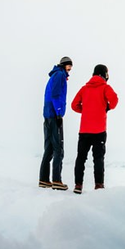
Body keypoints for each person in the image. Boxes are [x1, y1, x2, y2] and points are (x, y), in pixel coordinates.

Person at [71, 64, 119, 194]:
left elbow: (74, 105)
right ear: (104, 74)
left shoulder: (84, 89)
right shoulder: (105, 88)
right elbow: (114, 100)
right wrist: (106, 108)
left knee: (81, 158)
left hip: (84, 130)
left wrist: (85, 111)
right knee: (98, 159)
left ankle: (78, 185)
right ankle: (98, 185)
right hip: (99, 131)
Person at [39, 56, 73, 190]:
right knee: (59, 148)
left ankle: (44, 179)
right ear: (64, 65)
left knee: (49, 148)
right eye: (69, 66)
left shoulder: (54, 76)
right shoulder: (59, 75)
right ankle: (57, 180)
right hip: (54, 115)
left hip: (48, 115)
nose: (70, 69)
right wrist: (59, 113)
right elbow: (55, 95)